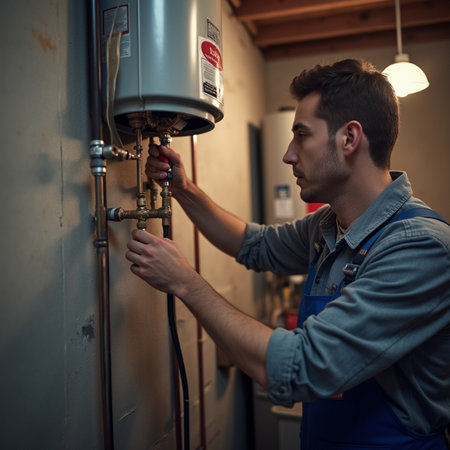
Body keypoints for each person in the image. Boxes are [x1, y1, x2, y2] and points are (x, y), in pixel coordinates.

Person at [126, 59, 450, 449]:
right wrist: (183, 189)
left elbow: (302, 367)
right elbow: (255, 245)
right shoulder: (328, 226)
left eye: (301, 135)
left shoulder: (419, 248)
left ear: (349, 139)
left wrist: (185, 282)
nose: (288, 155)